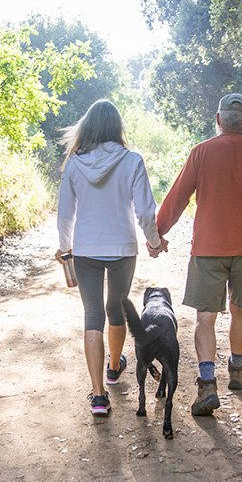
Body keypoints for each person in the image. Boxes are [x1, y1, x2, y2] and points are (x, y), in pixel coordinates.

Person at [155, 93, 242, 416]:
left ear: (218, 120)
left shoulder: (201, 153)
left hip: (208, 250)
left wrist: (157, 233)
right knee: (240, 311)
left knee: (205, 318)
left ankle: (207, 385)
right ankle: (238, 372)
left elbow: (178, 197)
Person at [55, 99, 166, 417]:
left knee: (93, 317)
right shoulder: (132, 160)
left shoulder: (74, 163)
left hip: (86, 249)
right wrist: (154, 241)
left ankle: (99, 396)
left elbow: (65, 215)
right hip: (121, 248)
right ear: (117, 127)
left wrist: (65, 249)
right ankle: (114, 368)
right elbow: (146, 211)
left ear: (87, 127)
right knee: (115, 309)